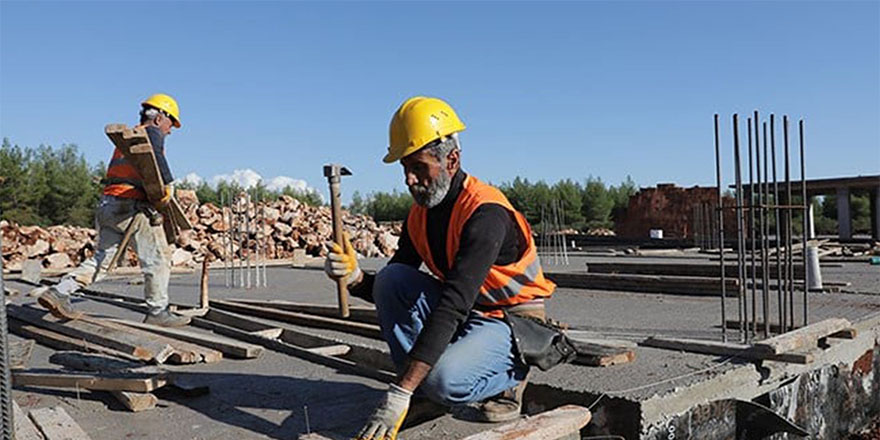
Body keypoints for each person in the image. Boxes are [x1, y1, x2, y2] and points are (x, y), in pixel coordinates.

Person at [324, 96, 556, 440]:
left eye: (419, 167)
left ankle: (510, 377)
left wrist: (399, 391)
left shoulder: (485, 214)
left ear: (452, 159)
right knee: (392, 280)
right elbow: (392, 291)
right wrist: (355, 278)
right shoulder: (420, 215)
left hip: (514, 323)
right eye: (405, 168)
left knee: (444, 379)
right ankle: (425, 392)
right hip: (471, 313)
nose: (409, 180)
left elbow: (452, 305)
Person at [35, 93, 191, 327]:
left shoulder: (128, 139)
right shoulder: (150, 134)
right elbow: (157, 162)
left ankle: (61, 291)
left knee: (103, 260)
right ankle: (158, 311)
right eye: (171, 124)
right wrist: (167, 188)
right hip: (132, 207)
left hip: (109, 204)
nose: (170, 130)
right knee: (158, 258)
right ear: (159, 118)